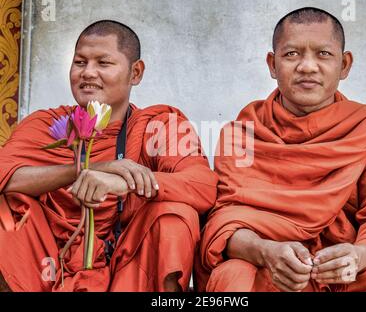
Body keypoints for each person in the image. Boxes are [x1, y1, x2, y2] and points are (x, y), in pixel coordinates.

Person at [0, 20, 218, 292]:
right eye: (80, 63)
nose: (88, 73)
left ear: (135, 73)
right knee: (6, 209)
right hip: (48, 262)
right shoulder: (47, 124)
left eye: (103, 63)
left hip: (129, 265)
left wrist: (126, 181)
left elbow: (202, 184)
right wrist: (90, 169)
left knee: (174, 214)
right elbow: (4, 175)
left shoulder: (158, 126)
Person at [195, 7, 366, 292]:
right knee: (235, 274)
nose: (307, 66)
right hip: (271, 268)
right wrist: (265, 251)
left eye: (323, 54)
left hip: (345, 273)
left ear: (344, 65)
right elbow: (224, 222)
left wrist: (357, 255)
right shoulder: (243, 134)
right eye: (291, 54)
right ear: (272, 64)